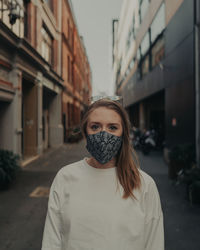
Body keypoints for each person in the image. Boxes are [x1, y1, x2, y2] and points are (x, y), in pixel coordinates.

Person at [41, 98, 164, 250]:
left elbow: (154, 243)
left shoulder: (144, 184)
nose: (104, 134)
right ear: (85, 132)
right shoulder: (65, 177)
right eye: (95, 127)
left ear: (123, 134)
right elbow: (52, 241)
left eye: (112, 127)